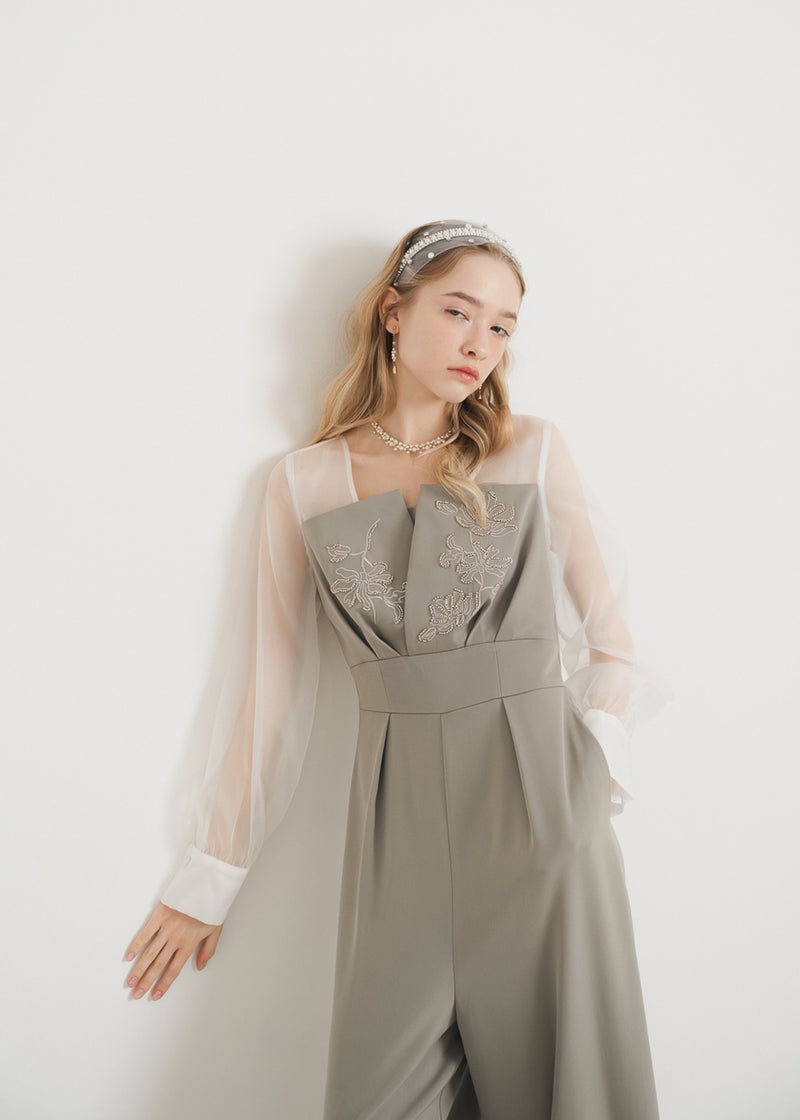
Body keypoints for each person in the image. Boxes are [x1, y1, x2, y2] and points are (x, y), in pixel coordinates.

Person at [123, 219, 668, 1119]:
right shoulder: (301, 482)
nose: (480, 344)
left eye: (502, 326)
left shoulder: (530, 449)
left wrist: (584, 782)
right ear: (392, 310)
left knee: (572, 1094)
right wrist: (208, 882)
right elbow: (268, 700)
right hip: (395, 842)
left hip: (545, 829)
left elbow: (615, 649)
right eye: (459, 311)